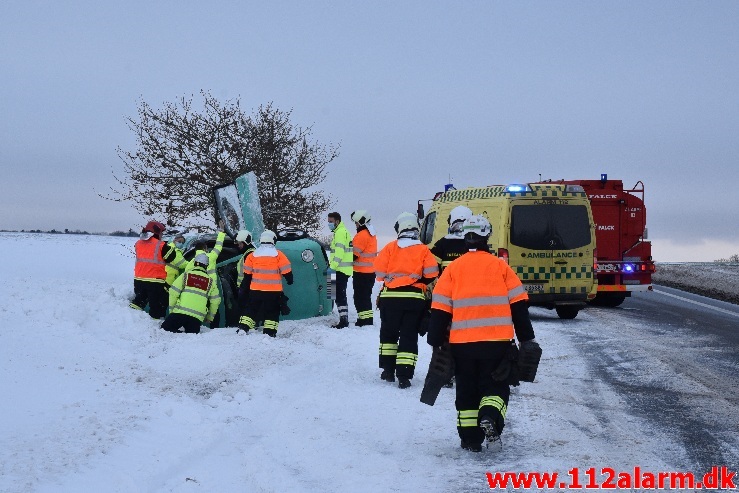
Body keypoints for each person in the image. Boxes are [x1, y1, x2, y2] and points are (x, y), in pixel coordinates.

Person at [427, 215, 536, 452]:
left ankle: (470, 439)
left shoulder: (453, 269)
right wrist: (527, 338)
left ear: (465, 238)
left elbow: (440, 308)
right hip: (496, 344)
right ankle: (490, 415)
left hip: (462, 346)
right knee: (495, 385)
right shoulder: (501, 267)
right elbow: (519, 307)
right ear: (487, 236)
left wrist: (434, 339)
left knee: (466, 389)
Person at [374, 212, 439, 388]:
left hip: (390, 299)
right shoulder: (423, 249)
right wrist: (418, 282)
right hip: (413, 300)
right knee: (409, 336)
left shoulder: (389, 247)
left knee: (388, 334)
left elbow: (379, 274)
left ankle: (387, 370)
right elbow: (432, 273)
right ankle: (404, 376)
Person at [238, 230, 293, 337]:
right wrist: (289, 280)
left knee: (251, 309)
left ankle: (243, 328)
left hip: (255, 290)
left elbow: (247, 275)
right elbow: (287, 272)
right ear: (273, 240)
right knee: (272, 312)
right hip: (273, 292)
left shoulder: (252, 255)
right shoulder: (278, 255)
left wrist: (244, 289)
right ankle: (269, 333)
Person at [130, 220, 181, 319]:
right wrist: (172, 245)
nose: (162, 235)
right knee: (156, 307)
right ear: (156, 232)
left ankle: (130, 317)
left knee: (138, 302)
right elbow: (171, 257)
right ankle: (154, 326)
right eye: (161, 233)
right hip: (155, 282)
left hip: (138, 280)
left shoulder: (138, 244)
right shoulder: (161, 245)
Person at [161, 253, 221, 333]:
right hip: (196, 318)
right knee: (191, 335)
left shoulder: (186, 276)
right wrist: (210, 317)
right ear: (206, 266)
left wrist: (172, 310)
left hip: (180, 313)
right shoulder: (210, 282)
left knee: (165, 330)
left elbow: (173, 292)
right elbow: (215, 301)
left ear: (195, 263)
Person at [350, 210, 377, 327]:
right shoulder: (371, 234)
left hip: (362, 273)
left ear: (361, 222)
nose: (355, 225)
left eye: (356, 223)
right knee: (365, 297)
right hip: (369, 272)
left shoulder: (361, 235)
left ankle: (364, 321)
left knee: (360, 298)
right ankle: (366, 319)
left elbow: (354, 255)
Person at [328, 212, 353, 329]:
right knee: (334, 293)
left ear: (337, 221)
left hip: (339, 269)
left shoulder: (340, 233)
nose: (329, 224)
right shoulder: (339, 232)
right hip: (339, 269)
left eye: (331, 221)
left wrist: (331, 267)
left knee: (339, 294)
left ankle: (344, 320)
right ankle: (342, 318)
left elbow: (339, 253)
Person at [430, 206, 473, 273]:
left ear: (451, 221)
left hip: (447, 282)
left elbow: (432, 270)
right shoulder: (476, 243)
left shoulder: (441, 244)